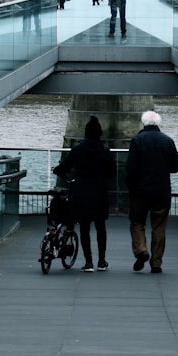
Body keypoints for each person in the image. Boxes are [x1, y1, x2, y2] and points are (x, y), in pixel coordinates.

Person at [52, 116, 116, 272]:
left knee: (84, 227)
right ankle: (102, 261)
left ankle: (88, 262)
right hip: (99, 192)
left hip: (81, 192)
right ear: (100, 133)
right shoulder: (104, 150)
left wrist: (58, 171)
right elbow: (112, 172)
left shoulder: (78, 149)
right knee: (101, 227)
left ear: (85, 133)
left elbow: (63, 168)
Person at [126, 110, 178, 273]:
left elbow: (131, 168)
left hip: (140, 191)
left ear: (143, 123)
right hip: (162, 191)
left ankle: (141, 250)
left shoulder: (137, 140)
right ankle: (156, 263)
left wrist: (130, 186)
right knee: (159, 226)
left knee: (137, 222)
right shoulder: (168, 141)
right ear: (158, 123)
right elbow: (176, 167)